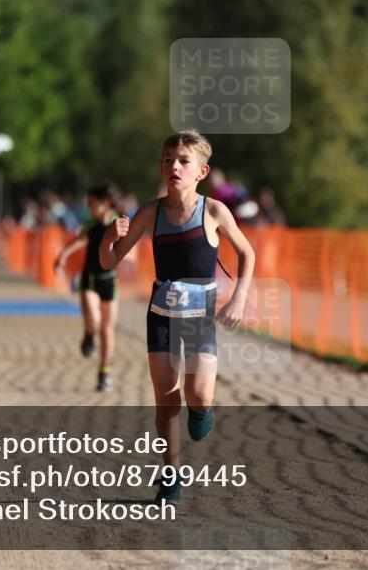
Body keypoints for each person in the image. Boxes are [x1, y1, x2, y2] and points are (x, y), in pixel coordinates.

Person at [99, 129, 255, 503]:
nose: (175, 167)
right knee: (167, 397)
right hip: (161, 312)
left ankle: (202, 410)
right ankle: (170, 474)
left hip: (200, 311)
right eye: (169, 160)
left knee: (197, 394)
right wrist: (108, 236)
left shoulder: (214, 211)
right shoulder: (151, 212)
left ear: (202, 171)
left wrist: (238, 298)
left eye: (184, 161)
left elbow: (247, 254)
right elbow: (109, 261)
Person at [54, 184, 122, 391]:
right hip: (90, 279)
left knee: (108, 331)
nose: (88, 207)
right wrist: (62, 256)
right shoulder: (90, 225)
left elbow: (131, 246)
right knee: (94, 318)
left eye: (91, 204)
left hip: (110, 280)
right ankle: (88, 332)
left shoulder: (118, 224)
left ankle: (104, 373)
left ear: (104, 203)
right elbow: (78, 241)